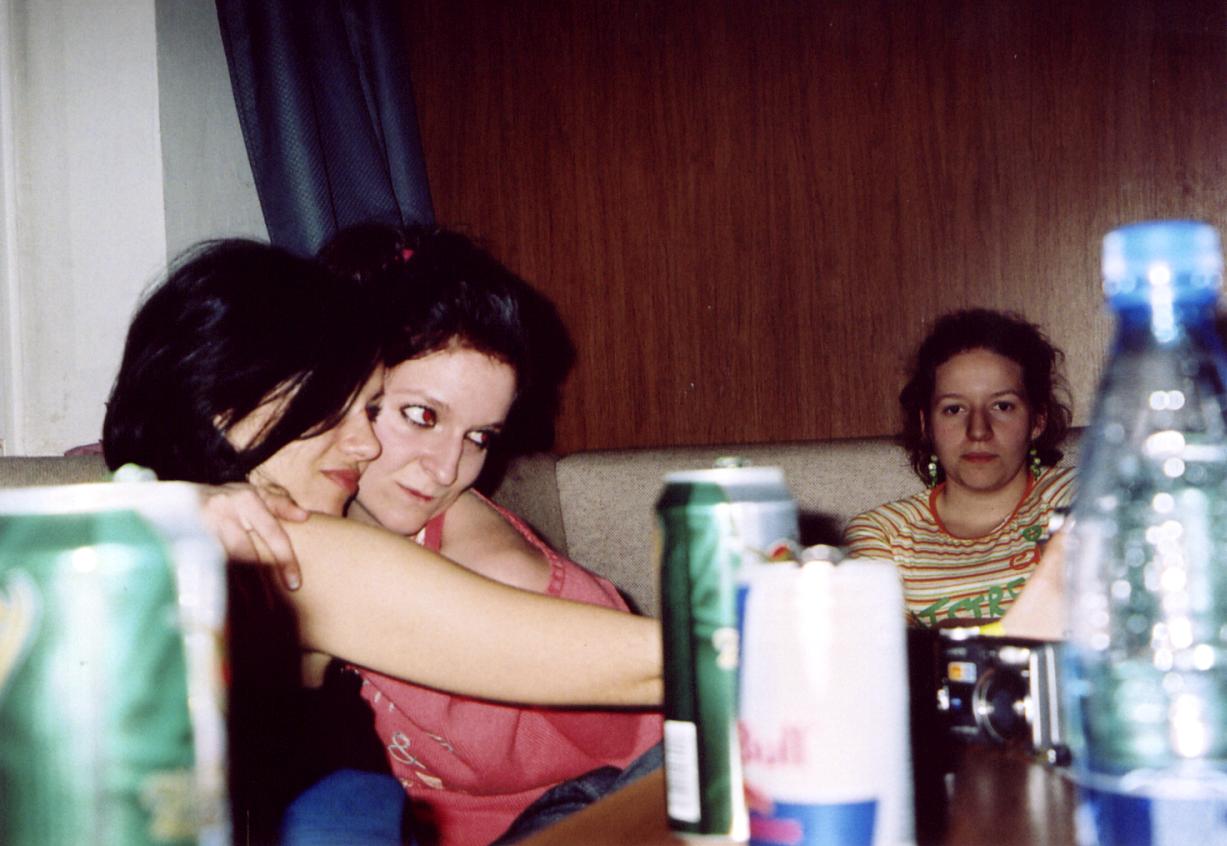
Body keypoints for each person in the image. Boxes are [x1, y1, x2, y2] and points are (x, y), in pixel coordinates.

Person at [101, 239, 662, 843]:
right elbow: (657, 663)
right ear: (229, 399)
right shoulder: (284, 548)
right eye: (336, 405)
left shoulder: (194, 532)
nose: (365, 445)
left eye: (368, 409)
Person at [317, 223, 662, 846]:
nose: (447, 470)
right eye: (422, 416)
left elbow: (669, 761)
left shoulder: (507, 578)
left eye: (479, 438)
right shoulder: (303, 522)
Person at [843, 309, 1076, 627]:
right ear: (926, 424)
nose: (978, 430)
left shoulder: (1080, 497)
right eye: (954, 409)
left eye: (1002, 406)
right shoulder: (882, 533)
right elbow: (890, 647)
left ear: (1037, 420)